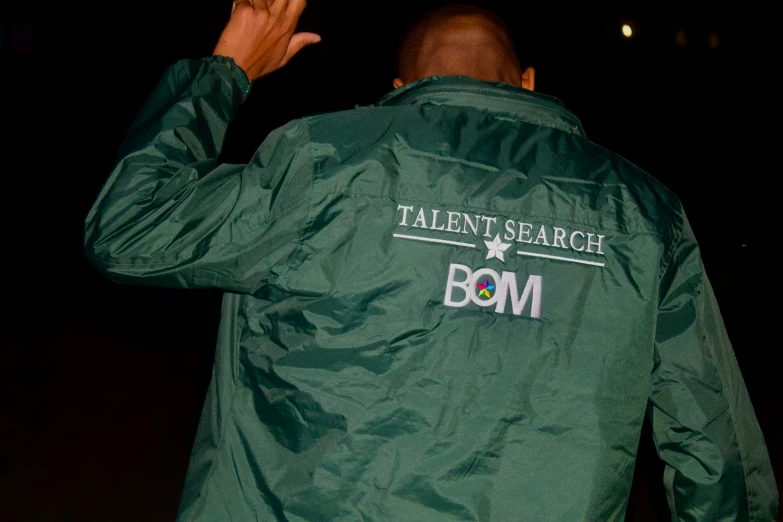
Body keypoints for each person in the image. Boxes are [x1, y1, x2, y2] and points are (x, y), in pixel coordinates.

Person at [84, 1, 779, 520]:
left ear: (397, 86)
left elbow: (131, 228)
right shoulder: (641, 210)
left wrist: (226, 68)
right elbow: (712, 439)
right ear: (528, 81)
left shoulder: (319, 163)